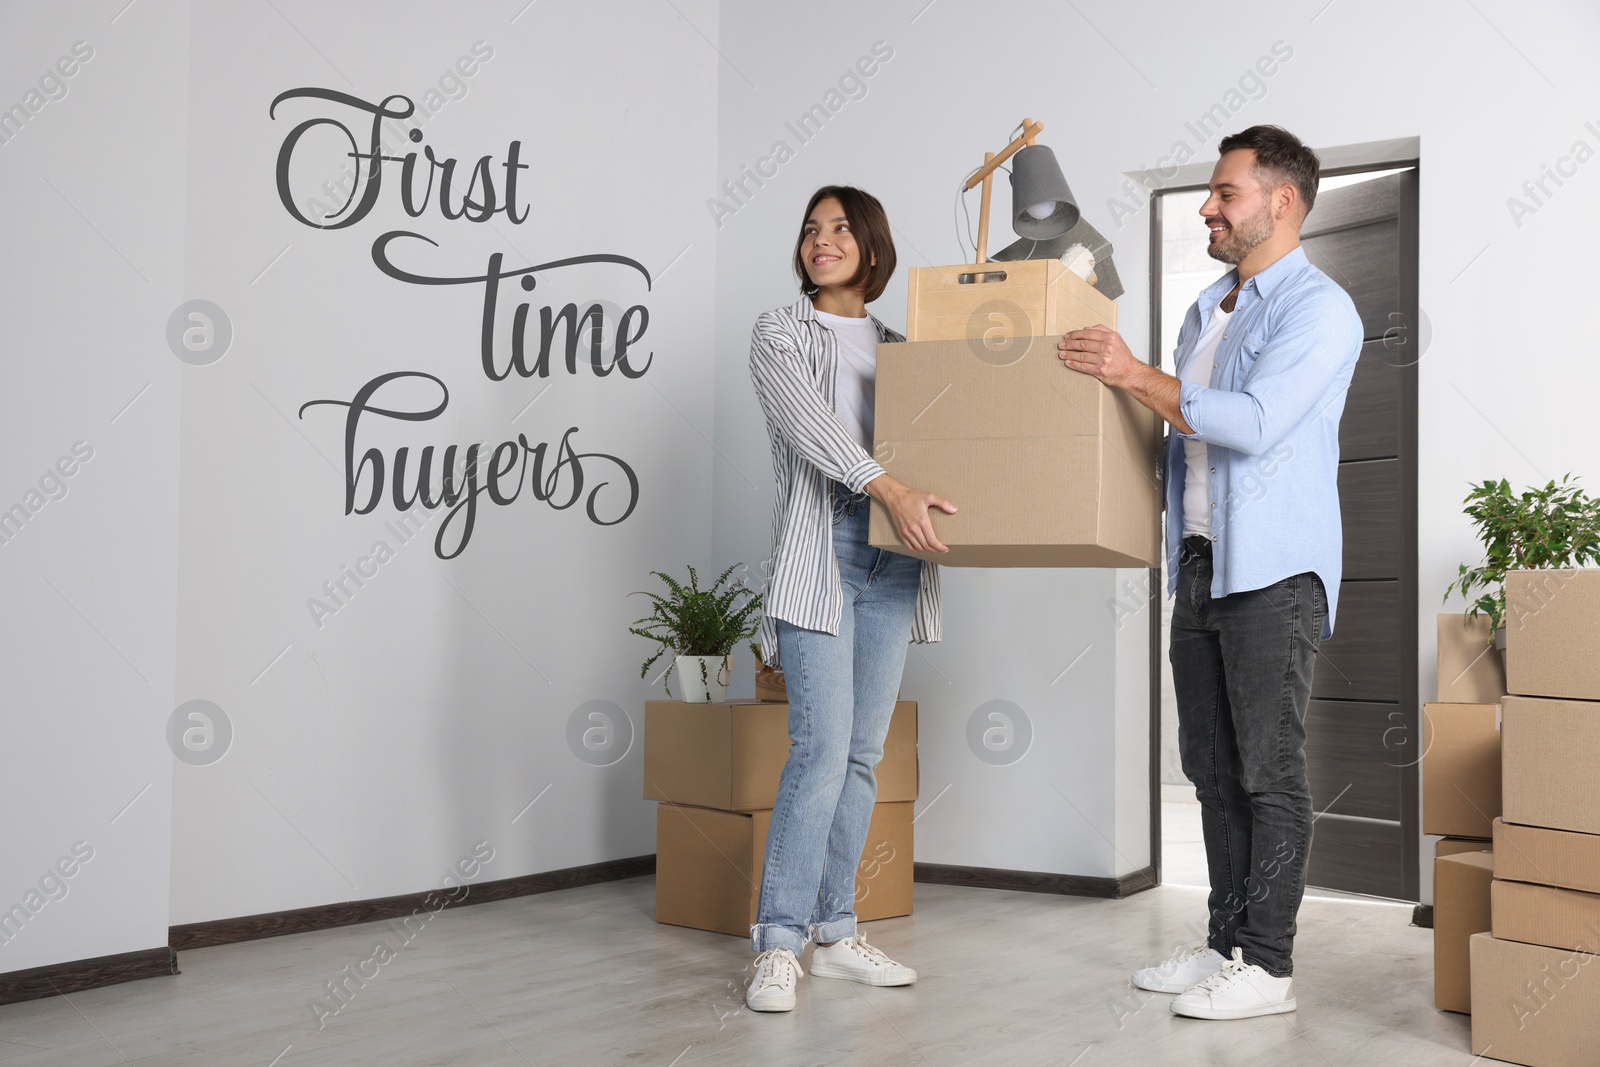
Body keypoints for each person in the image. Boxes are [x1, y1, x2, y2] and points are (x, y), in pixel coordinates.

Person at [1057, 126, 1361, 1020]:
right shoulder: (1206, 310)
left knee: (1270, 769)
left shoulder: (1319, 307)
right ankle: (1226, 942)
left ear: (1282, 201)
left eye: (1226, 193)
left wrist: (1134, 374)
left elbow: (1257, 420)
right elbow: (1175, 431)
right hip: (1198, 564)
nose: (1208, 207)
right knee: (1210, 767)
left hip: (1273, 572)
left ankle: (1268, 967)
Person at [743, 185, 955, 1013]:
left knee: (864, 754)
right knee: (820, 749)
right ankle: (779, 941)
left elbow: (957, 434)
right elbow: (808, 427)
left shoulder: (906, 348)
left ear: (871, 246)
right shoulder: (780, 331)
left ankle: (836, 930)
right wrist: (889, 486)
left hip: (894, 559)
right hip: (822, 547)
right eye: (810, 230)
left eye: (839, 229)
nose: (821, 241)